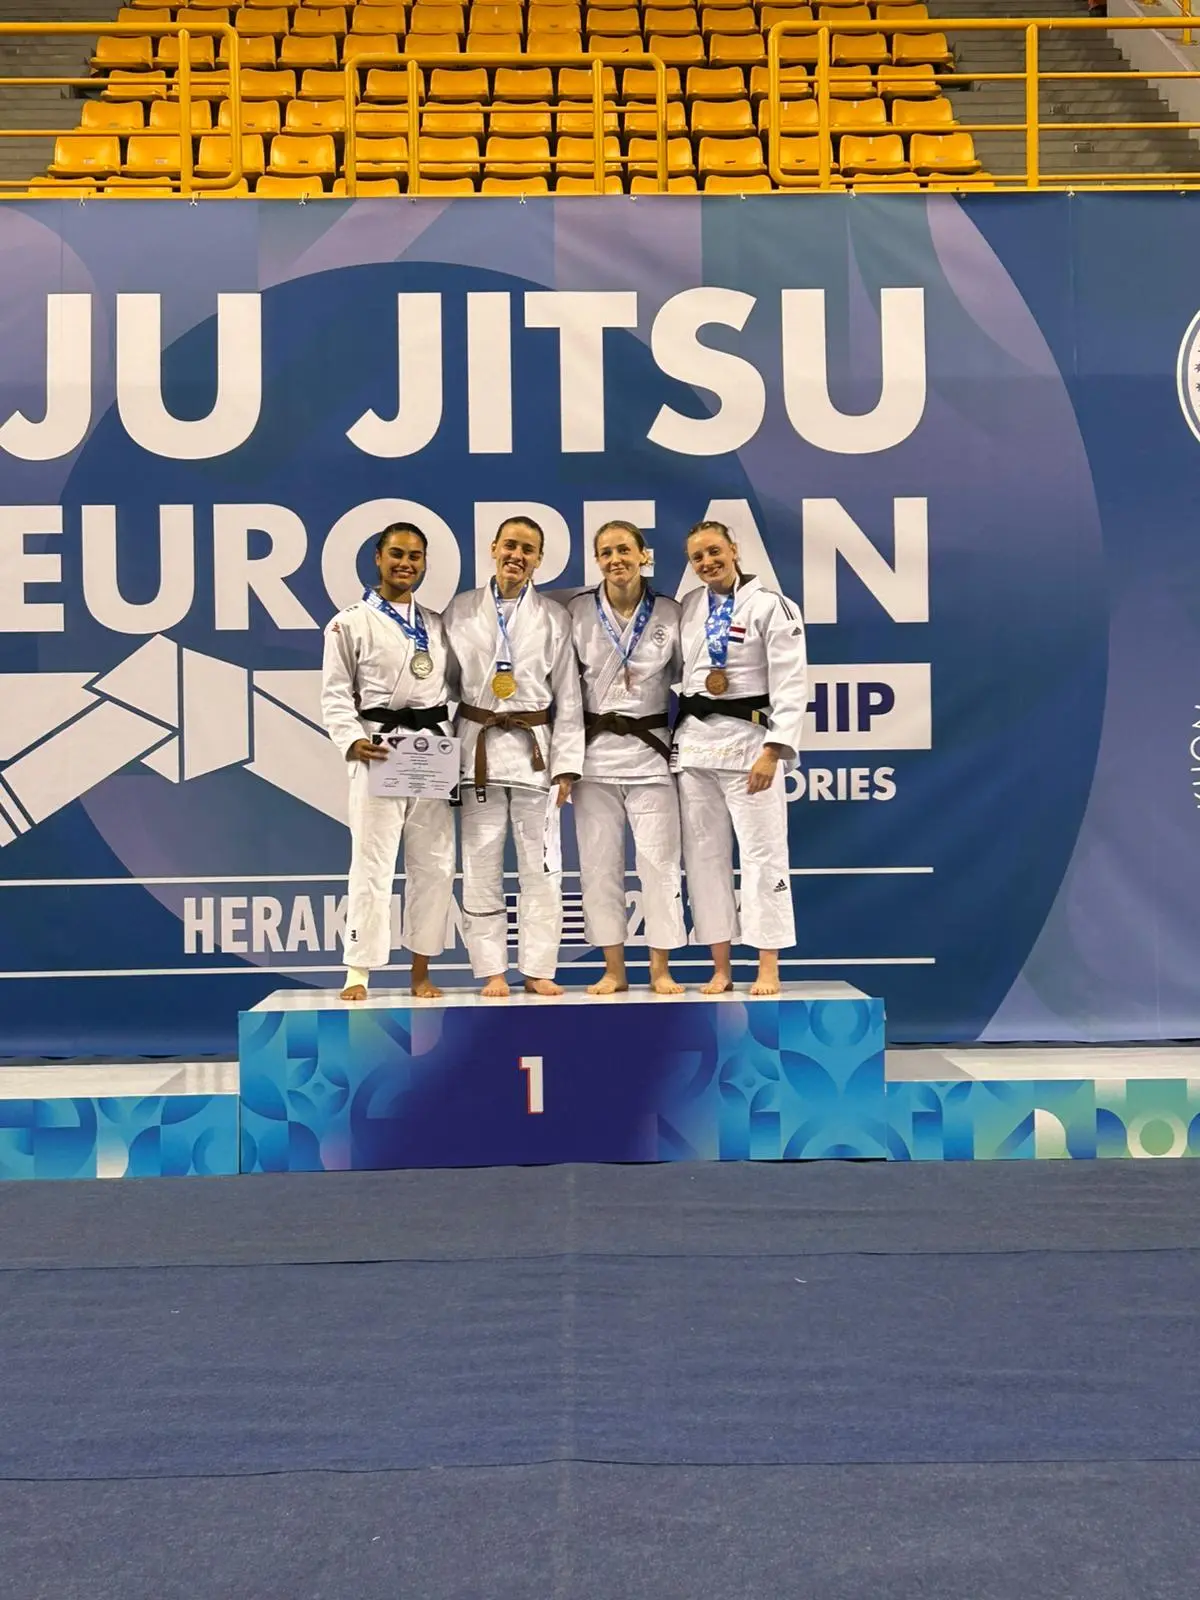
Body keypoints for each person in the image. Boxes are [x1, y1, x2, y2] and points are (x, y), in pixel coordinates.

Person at [443, 516, 585, 998]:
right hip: (477, 753)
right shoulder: (461, 610)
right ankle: (491, 969)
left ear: (539, 559)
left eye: (527, 549)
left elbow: (568, 696)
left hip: (536, 756)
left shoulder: (553, 617)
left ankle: (538, 968)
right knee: (479, 863)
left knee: (542, 868)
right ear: (493, 548)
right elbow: (443, 685)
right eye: (510, 545)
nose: (516, 556)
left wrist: (567, 766)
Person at [320, 522, 456, 1003]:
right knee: (372, 863)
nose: (406, 563)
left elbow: (459, 688)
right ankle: (358, 969)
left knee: (435, 865)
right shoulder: (348, 623)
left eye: (415, 556)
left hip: (432, 752)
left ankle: (422, 970)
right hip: (379, 750)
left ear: (424, 563)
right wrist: (352, 740)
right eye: (397, 554)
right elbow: (335, 693)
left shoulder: (438, 625)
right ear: (378, 558)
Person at [674, 520, 808, 997]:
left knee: (762, 855)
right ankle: (721, 966)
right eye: (697, 557)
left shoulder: (772, 605)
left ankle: (768, 966)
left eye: (715, 551)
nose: (707, 562)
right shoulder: (690, 607)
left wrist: (773, 751)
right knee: (704, 859)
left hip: (751, 748)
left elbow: (791, 684)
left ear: (734, 549)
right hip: (695, 748)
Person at [569, 520, 686, 996]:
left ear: (643, 555)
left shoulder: (671, 614)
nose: (615, 559)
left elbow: (693, 681)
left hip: (650, 753)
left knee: (660, 863)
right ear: (597, 560)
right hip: (594, 756)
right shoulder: (577, 612)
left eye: (624, 550)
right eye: (606, 552)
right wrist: (565, 761)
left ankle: (661, 968)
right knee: (599, 867)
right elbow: (564, 692)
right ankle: (613, 968)